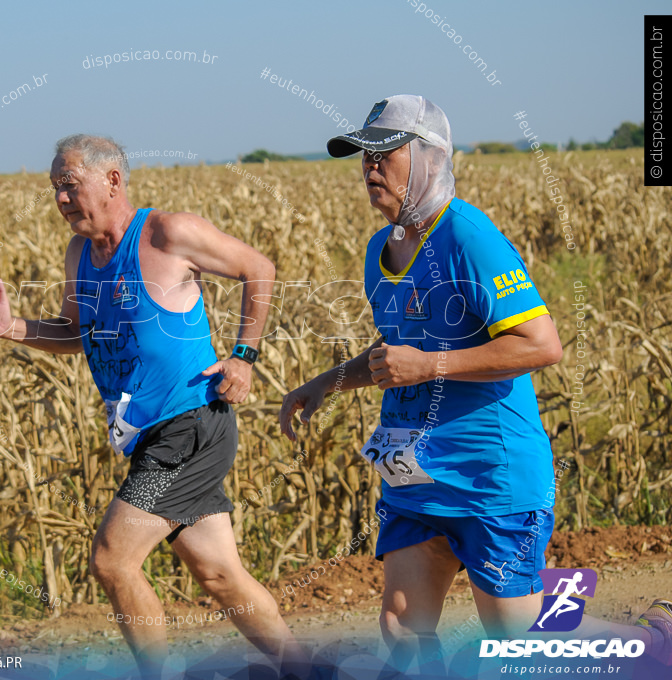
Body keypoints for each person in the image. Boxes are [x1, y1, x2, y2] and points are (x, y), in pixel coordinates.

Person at [278, 95, 671, 670]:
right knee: (401, 625)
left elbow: (542, 344)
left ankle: (653, 641)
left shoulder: (469, 237)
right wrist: (324, 383)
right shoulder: (377, 252)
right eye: (364, 155)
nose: (369, 167)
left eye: (385, 153)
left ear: (431, 159)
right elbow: (397, 352)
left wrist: (429, 367)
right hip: (415, 473)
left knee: (519, 633)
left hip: (492, 471)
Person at [0, 134, 308, 679]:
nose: (59, 199)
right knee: (221, 575)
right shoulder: (80, 254)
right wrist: (12, 329)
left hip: (189, 424)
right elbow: (76, 333)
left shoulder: (168, 234)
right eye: (54, 188)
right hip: (153, 436)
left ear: (112, 180)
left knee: (113, 559)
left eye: (69, 185)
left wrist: (243, 356)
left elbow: (260, 268)